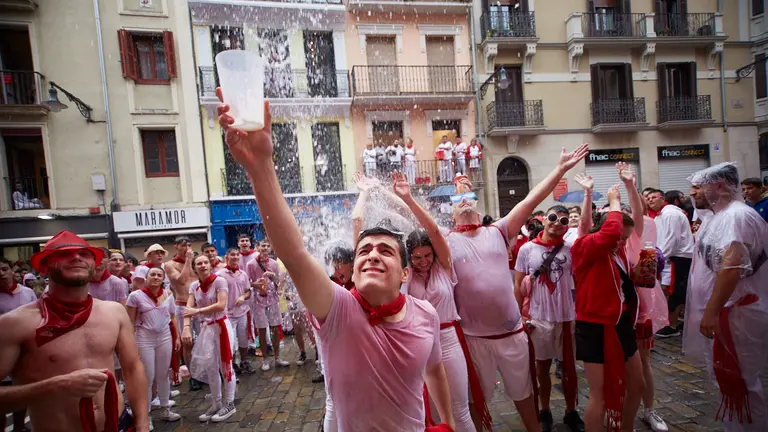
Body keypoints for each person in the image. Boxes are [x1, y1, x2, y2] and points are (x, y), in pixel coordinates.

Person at [217, 95, 455, 430]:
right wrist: (260, 169)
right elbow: (295, 254)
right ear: (354, 272)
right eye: (364, 251)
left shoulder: (426, 314)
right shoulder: (338, 309)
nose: (372, 253)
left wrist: (448, 423)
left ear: (405, 273)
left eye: (385, 251)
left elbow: (434, 370)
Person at [447, 144, 588, 432]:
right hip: (475, 339)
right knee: (477, 401)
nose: (464, 201)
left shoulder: (499, 230)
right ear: (450, 213)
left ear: (479, 206)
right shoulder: (445, 240)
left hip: (512, 333)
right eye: (458, 198)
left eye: (469, 196)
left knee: (524, 394)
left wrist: (560, 169)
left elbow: (531, 197)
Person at [0, 230, 149, 432]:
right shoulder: (14, 324)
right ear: (44, 268)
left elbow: (132, 368)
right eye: (64, 254)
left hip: (119, 424)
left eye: (84, 254)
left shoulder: (114, 312)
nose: (77, 258)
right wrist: (55, 386)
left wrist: (141, 424)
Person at [393, 171, 491, 432]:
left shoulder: (445, 266)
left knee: (459, 409)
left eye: (427, 255)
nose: (423, 261)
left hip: (448, 339)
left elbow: (434, 231)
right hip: (421, 341)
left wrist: (409, 199)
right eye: (417, 257)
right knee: (433, 410)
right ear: (409, 258)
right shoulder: (407, 275)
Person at [684, 162, 768, 431]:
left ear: (718, 186)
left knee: (742, 379)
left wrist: (711, 310)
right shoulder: (715, 217)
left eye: (698, 187)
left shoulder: (737, 217)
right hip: (723, 311)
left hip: (737, 313)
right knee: (725, 376)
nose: (692, 193)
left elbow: (732, 267)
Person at [572, 185, 646, 432]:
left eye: (625, 239)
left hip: (621, 322)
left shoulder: (619, 251)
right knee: (599, 395)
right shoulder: (586, 246)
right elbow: (611, 230)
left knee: (637, 384)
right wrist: (614, 200)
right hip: (594, 326)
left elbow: (632, 223)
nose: (622, 242)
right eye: (620, 238)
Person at [514, 203, 584, 432]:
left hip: (565, 317)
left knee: (569, 368)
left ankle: (571, 411)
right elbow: (518, 284)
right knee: (541, 367)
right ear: (544, 219)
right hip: (539, 317)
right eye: (553, 217)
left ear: (567, 227)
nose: (557, 223)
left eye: (564, 221)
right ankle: (544, 410)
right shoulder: (527, 250)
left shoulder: (571, 249)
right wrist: (519, 316)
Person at [615, 163, 669, 432]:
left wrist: (629, 185)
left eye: (625, 223)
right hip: (614, 313)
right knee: (616, 365)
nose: (621, 228)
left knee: (643, 362)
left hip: (640, 311)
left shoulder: (634, 240)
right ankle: (622, 413)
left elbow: (639, 212)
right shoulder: (602, 244)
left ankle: (649, 410)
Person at [125, 267, 182, 428]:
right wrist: (129, 342)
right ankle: (145, 415)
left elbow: (172, 317)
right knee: (147, 377)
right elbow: (129, 322)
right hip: (144, 338)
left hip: (164, 336)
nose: (156, 277)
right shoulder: (135, 296)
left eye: (159, 275)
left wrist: (176, 336)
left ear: (163, 278)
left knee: (164, 374)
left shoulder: (168, 294)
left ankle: (165, 408)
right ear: (146, 277)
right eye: (153, 274)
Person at [183, 254, 237, 422]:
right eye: (199, 263)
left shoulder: (219, 281)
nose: (203, 265)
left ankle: (230, 403)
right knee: (210, 366)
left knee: (225, 365)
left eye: (206, 262)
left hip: (221, 327)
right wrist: (185, 327)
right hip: (206, 328)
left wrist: (197, 312)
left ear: (210, 264)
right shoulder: (194, 286)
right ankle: (216, 402)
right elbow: (188, 308)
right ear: (194, 267)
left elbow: (221, 305)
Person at [650, 189, 694, 338]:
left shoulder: (670, 214)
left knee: (675, 292)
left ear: (662, 199)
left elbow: (672, 239)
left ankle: (672, 325)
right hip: (668, 258)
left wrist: (660, 257)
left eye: (653, 197)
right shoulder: (660, 216)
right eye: (647, 198)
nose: (650, 200)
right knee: (668, 290)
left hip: (678, 258)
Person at [1, 257, 38, 432]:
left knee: (22, 388)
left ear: (11, 271)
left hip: (25, 349)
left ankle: (19, 426)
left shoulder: (27, 293)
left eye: (4, 269)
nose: (1, 274)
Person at [163, 237, 203, 391]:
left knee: (205, 339)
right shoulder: (170, 264)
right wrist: (187, 261)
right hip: (182, 305)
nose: (187, 248)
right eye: (184, 245)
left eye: (190, 245)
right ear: (176, 247)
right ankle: (193, 375)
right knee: (188, 342)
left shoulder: (195, 261)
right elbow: (181, 280)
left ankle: (205, 371)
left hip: (199, 306)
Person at [246, 239, 287, 371]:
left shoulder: (274, 263)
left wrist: (273, 276)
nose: (265, 248)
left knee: (275, 329)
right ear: (257, 247)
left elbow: (278, 282)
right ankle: (264, 359)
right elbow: (247, 282)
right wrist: (255, 285)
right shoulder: (251, 264)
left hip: (273, 299)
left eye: (267, 246)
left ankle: (277, 358)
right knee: (262, 330)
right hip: (258, 300)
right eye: (263, 245)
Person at [217, 248, 255, 374]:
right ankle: (231, 366)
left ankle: (244, 361)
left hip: (242, 312)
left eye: (237, 255)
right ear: (227, 257)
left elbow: (248, 291)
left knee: (244, 338)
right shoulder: (220, 274)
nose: (235, 257)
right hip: (228, 314)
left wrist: (243, 297)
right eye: (232, 255)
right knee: (231, 341)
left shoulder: (243, 274)